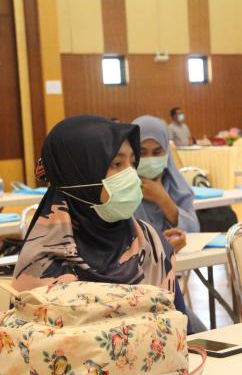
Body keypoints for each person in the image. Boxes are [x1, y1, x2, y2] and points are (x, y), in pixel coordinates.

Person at [11, 115, 192, 326]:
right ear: (79, 173)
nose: (131, 175)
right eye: (117, 164)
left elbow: (184, 333)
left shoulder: (151, 244)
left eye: (133, 163)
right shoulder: (43, 263)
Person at [133, 115, 200, 252]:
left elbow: (194, 230)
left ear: (166, 153)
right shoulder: (121, 190)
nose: (149, 159)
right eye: (142, 153)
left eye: (157, 152)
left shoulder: (175, 185)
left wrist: (164, 200)